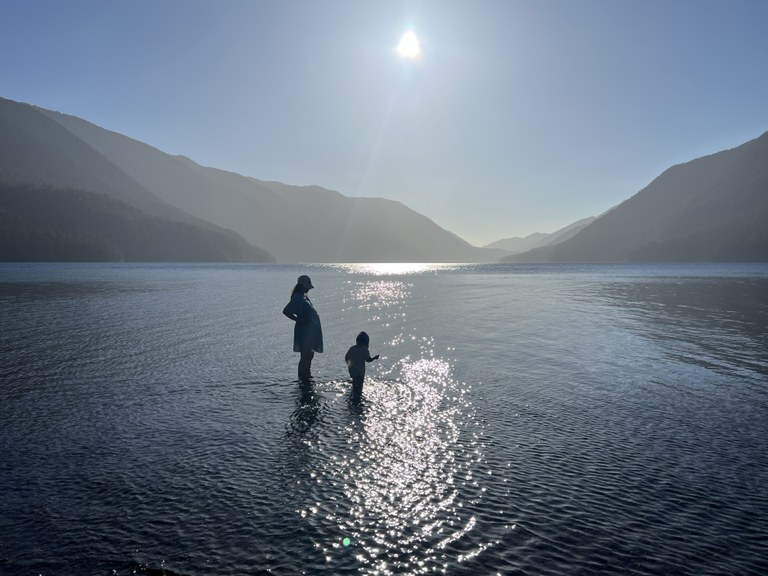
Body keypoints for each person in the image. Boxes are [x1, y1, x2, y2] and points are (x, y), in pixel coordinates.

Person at [283, 275, 323, 380]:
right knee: (305, 355)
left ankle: (306, 376)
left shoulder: (304, 296)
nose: (308, 289)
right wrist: (298, 319)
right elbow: (286, 311)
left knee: (309, 355)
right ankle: (303, 378)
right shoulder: (297, 297)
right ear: (301, 286)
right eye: (306, 287)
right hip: (305, 331)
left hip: (310, 331)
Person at [345, 331, 379, 401]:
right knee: (360, 386)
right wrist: (374, 358)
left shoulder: (352, 348)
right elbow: (368, 360)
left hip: (352, 370)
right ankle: (358, 396)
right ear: (366, 343)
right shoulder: (364, 350)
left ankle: (354, 394)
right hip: (360, 372)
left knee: (354, 384)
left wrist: (350, 365)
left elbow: (346, 358)